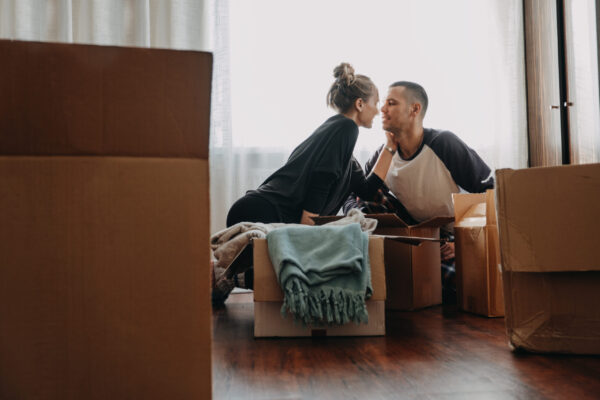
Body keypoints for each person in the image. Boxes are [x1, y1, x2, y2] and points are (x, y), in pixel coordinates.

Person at [217, 63, 397, 298]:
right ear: (360, 104)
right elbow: (320, 181)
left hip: (255, 208)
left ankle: (224, 275)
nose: (377, 110)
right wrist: (305, 236)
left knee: (280, 277)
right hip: (263, 212)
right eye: (375, 102)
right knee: (290, 272)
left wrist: (390, 147)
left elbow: (366, 189)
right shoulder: (346, 128)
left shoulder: (339, 143)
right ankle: (224, 273)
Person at [344, 81, 494, 304]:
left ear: (414, 110)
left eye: (391, 103)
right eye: (383, 103)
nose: (382, 109)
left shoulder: (444, 143)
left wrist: (464, 243)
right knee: (364, 204)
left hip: (456, 237)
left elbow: (491, 191)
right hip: (418, 233)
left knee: (462, 283)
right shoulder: (383, 155)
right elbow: (352, 196)